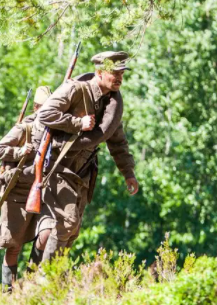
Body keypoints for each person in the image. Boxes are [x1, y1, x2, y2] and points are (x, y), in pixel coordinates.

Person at [35, 51, 139, 264]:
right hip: (58, 165)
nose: (119, 78)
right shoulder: (75, 89)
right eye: (114, 73)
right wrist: (76, 123)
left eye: (121, 73)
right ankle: (43, 278)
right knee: (67, 222)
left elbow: (117, 141)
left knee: (72, 231)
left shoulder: (111, 104)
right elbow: (45, 114)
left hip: (83, 171)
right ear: (99, 72)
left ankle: (48, 277)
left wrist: (128, 173)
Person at [0, 86, 55, 289]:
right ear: (36, 107)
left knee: (45, 235)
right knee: (13, 246)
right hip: (18, 192)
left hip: (44, 192)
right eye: (44, 108)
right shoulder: (24, 128)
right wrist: (19, 151)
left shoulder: (56, 129)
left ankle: (30, 282)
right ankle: (8, 291)